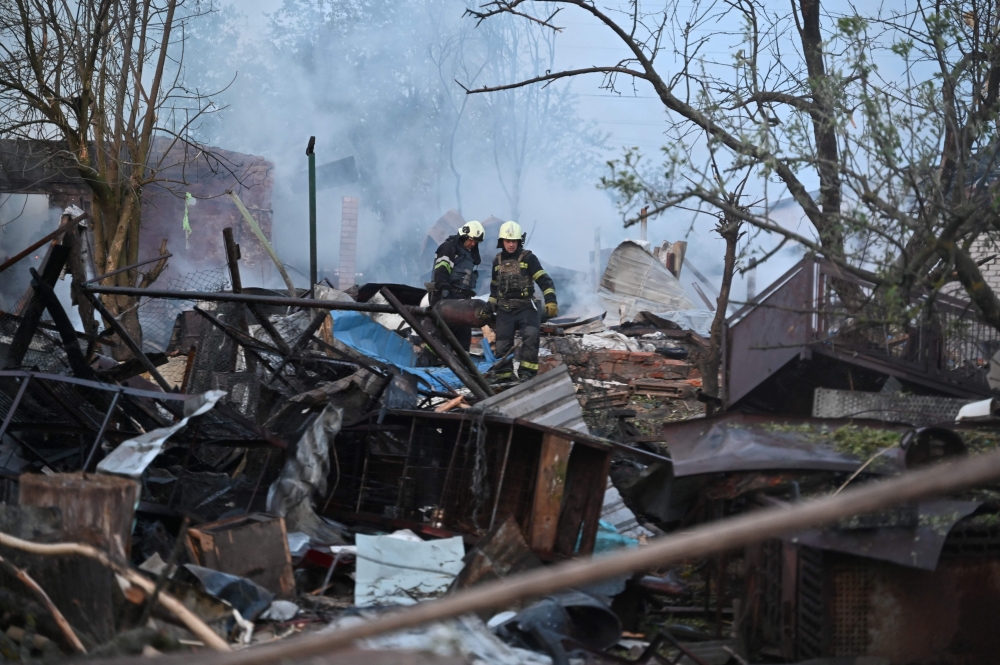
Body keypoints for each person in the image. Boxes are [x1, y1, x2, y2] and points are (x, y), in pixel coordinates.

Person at [488, 221, 558, 380]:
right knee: (502, 345)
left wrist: (551, 301)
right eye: (508, 241)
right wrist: (489, 306)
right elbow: (494, 288)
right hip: (504, 310)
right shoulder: (497, 262)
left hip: (526, 308)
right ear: (502, 242)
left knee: (531, 338)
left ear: (520, 241)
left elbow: (545, 281)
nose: (511, 244)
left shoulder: (528, 258)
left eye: (514, 241)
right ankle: (504, 378)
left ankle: (527, 374)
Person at [430, 220, 485, 351]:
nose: (473, 244)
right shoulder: (448, 248)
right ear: (464, 236)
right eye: (471, 240)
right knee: (443, 333)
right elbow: (441, 271)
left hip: (462, 300)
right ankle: (431, 361)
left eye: (476, 242)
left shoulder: (469, 255)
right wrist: (444, 288)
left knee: (463, 333)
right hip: (447, 297)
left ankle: (461, 366)